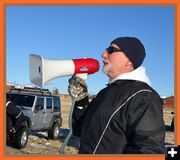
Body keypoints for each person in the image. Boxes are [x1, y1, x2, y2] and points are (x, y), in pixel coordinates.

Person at [68, 37, 165, 154]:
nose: (103, 54)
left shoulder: (144, 97)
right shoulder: (105, 93)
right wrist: (80, 100)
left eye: (111, 50)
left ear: (129, 61)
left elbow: (149, 150)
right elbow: (81, 130)